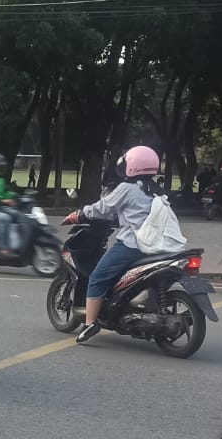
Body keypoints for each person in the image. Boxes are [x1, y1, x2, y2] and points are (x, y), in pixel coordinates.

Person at [69, 145, 166, 344]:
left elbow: (103, 208)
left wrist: (80, 213)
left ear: (132, 166)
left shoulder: (127, 189)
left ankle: (90, 323)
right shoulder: (158, 190)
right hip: (159, 245)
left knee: (97, 277)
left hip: (132, 246)